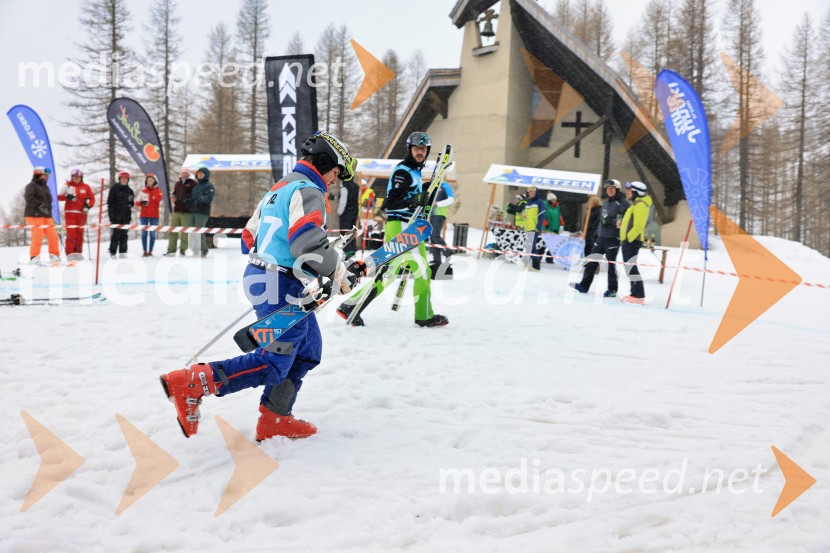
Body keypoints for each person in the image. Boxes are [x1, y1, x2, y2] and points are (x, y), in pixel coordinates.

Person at [160, 131, 362, 440]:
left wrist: (298, 258)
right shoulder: (310, 190)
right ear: (325, 162)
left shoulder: (278, 189)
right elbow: (306, 241)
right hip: (278, 281)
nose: (335, 180)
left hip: (262, 274)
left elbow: (248, 237)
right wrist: (335, 268)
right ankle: (190, 382)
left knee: (307, 350)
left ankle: (275, 418)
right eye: (336, 172)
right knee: (273, 363)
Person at [336, 131, 449, 327]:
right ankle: (424, 315)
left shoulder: (414, 172)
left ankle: (350, 306)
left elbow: (411, 196)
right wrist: (415, 200)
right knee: (422, 271)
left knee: (388, 274)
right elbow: (391, 202)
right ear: (410, 149)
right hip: (403, 227)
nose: (420, 152)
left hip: (406, 227)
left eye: (423, 149)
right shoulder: (403, 171)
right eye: (416, 149)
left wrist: (424, 191)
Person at [571, 179, 629, 297]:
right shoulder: (606, 203)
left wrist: (612, 221)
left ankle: (612, 289)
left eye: (612, 188)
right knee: (591, 261)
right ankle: (584, 285)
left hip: (613, 238)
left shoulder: (623, 203)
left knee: (610, 264)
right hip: (601, 237)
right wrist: (596, 234)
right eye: (608, 189)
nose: (610, 191)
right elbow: (601, 222)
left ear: (617, 189)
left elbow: (624, 221)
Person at [620, 181, 653, 305]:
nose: (627, 192)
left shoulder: (640, 205)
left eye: (629, 190)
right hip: (629, 241)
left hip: (632, 242)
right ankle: (635, 293)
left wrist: (628, 238)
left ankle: (638, 296)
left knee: (632, 268)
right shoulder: (636, 204)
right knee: (630, 268)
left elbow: (639, 226)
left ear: (635, 192)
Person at [24, 167, 60, 265]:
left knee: (53, 236)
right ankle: (34, 257)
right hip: (34, 215)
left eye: (47, 175)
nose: (46, 177)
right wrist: (40, 205)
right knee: (38, 237)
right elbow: (29, 198)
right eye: (44, 175)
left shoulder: (45, 187)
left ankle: (54, 256)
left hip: (46, 216)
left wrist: (48, 210)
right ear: (38, 175)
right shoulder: (31, 186)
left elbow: (49, 201)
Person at [57, 168, 95, 258]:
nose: (76, 178)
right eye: (74, 176)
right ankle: (70, 254)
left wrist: (88, 206)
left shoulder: (86, 187)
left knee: (80, 234)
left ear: (81, 177)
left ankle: (78, 253)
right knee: (71, 234)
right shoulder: (67, 185)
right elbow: (58, 197)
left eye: (78, 177)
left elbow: (92, 199)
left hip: (82, 213)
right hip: (70, 213)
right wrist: (67, 196)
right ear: (72, 177)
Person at [166, 166, 197, 257]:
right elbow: (175, 193)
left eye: (186, 173)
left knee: (185, 232)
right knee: (172, 231)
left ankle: (183, 250)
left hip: (187, 212)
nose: (184, 174)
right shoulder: (178, 183)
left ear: (189, 174)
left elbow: (193, 198)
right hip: (177, 210)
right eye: (183, 172)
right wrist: (172, 197)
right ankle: (171, 250)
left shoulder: (193, 184)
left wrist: (184, 200)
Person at [108, 170, 135, 258]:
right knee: (116, 234)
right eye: (123, 178)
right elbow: (110, 203)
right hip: (116, 215)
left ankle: (123, 252)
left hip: (126, 216)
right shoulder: (114, 188)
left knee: (124, 234)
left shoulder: (130, 190)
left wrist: (130, 202)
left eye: (126, 178)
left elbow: (131, 203)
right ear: (119, 179)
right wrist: (111, 216)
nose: (124, 180)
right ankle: (113, 252)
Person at [189, 167, 215, 257]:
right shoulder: (196, 187)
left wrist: (199, 199)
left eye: (202, 175)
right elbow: (192, 198)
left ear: (206, 175)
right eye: (198, 174)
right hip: (193, 211)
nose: (200, 176)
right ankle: (195, 250)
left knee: (199, 232)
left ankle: (203, 250)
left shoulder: (209, 186)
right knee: (192, 232)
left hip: (202, 212)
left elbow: (208, 198)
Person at [428, 180, 455, 265]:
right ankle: (437, 260)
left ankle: (448, 251)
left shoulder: (445, 185)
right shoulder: (434, 185)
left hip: (440, 213)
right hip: (433, 214)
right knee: (432, 237)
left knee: (435, 235)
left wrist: (437, 204)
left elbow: (451, 199)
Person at [136, 174, 163, 256]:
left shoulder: (159, 192)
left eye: (151, 180)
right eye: (148, 180)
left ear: (155, 181)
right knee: (144, 233)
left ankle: (150, 251)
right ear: (146, 181)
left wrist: (154, 190)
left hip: (154, 216)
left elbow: (158, 200)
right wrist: (141, 203)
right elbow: (136, 202)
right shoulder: (143, 191)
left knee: (152, 234)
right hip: (144, 216)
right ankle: (145, 251)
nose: (150, 181)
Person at [521, 186, 546, 271]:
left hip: (534, 228)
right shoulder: (528, 203)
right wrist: (524, 216)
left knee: (531, 246)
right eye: (529, 192)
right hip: (528, 228)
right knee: (530, 246)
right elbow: (529, 215)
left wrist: (538, 227)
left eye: (533, 192)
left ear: (536, 192)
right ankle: (530, 264)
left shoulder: (540, 202)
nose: (531, 193)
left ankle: (533, 265)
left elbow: (541, 216)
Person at [337, 173, 360, 259]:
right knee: (352, 232)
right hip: (354, 213)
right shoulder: (356, 187)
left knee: (345, 232)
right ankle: (353, 249)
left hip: (346, 214)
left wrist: (339, 212)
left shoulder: (344, 188)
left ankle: (348, 251)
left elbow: (343, 201)